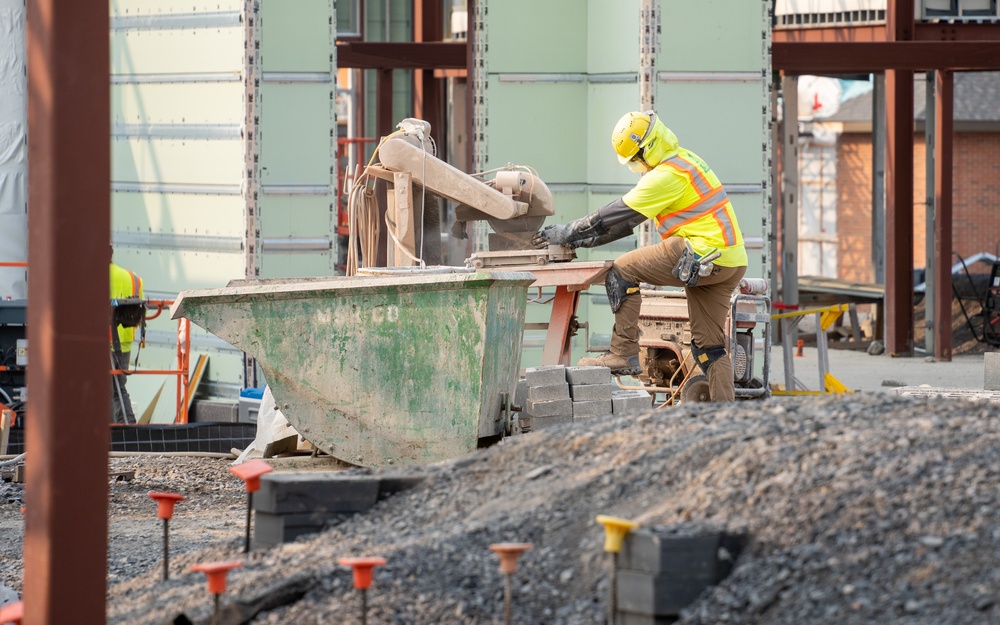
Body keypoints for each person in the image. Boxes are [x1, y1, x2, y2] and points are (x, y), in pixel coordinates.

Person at [532, 111, 748, 402]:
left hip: (699, 252)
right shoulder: (685, 160)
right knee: (708, 348)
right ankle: (727, 418)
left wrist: (567, 232)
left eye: (635, 161)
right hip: (728, 263)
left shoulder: (665, 176)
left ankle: (623, 353)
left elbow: (614, 214)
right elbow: (626, 223)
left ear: (645, 150)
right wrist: (581, 240)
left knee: (621, 270)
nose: (637, 167)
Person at [110, 258, 145, 423]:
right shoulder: (133, 277)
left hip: (104, 340)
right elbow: (140, 307)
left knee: (108, 387)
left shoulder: (95, 276)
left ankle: (121, 422)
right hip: (125, 340)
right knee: (118, 385)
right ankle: (126, 422)